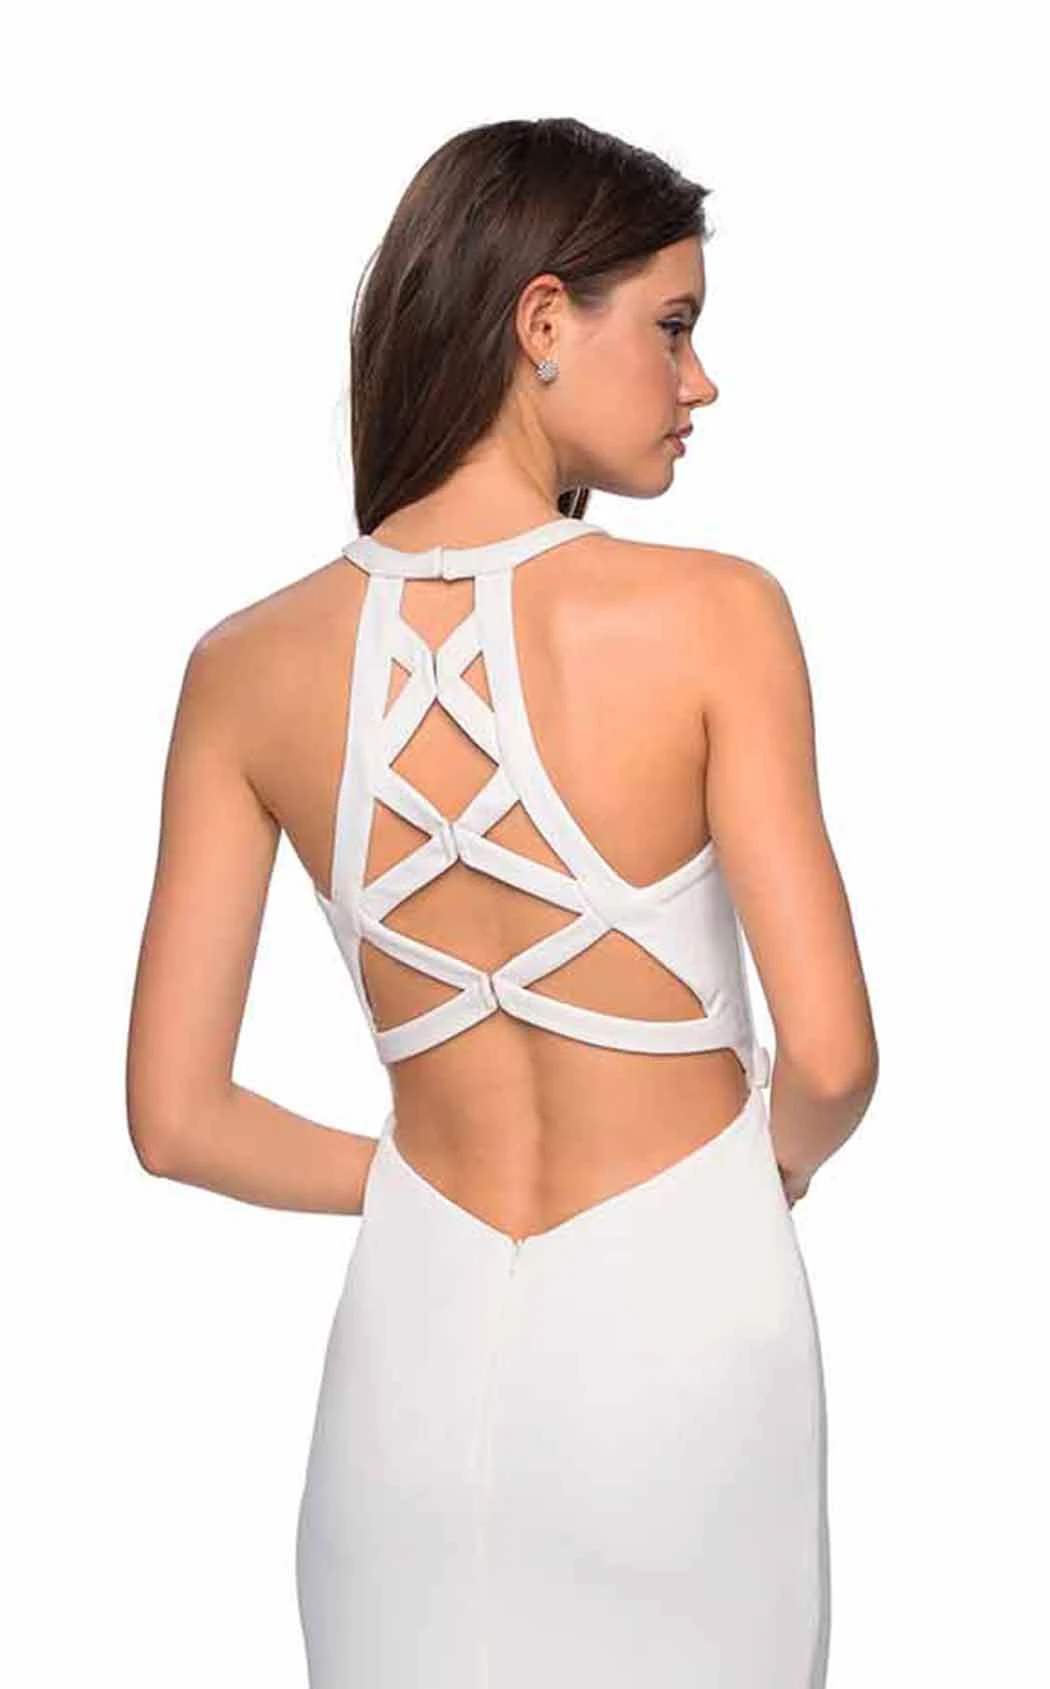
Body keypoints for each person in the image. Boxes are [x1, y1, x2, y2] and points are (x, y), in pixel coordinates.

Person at [126, 117, 878, 1688]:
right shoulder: (713, 616)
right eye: (671, 326)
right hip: (684, 1332)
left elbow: (176, 1122)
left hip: (410, 1352)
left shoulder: (241, 667)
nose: (698, 383)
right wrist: (759, 1175)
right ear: (542, 321)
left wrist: (425, 1196)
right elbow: (829, 1059)